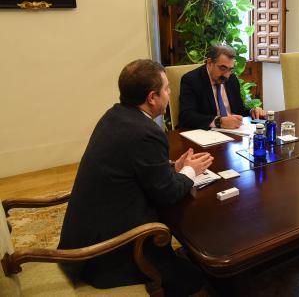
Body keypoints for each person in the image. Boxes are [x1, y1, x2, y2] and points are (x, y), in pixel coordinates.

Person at [58, 59, 213, 296]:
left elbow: (135, 168)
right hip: (107, 252)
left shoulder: (116, 115)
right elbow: (167, 194)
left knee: (187, 262)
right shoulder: (146, 132)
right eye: (167, 89)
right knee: (196, 279)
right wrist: (190, 171)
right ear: (152, 97)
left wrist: (172, 167)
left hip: (88, 231)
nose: (170, 93)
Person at [178, 44, 265, 130]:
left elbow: (239, 109)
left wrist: (252, 111)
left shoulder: (232, 79)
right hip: (207, 135)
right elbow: (186, 116)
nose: (227, 75)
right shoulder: (192, 80)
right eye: (223, 69)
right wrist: (219, 122)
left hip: (234, 133)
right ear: (209, 63)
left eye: (230, 69)